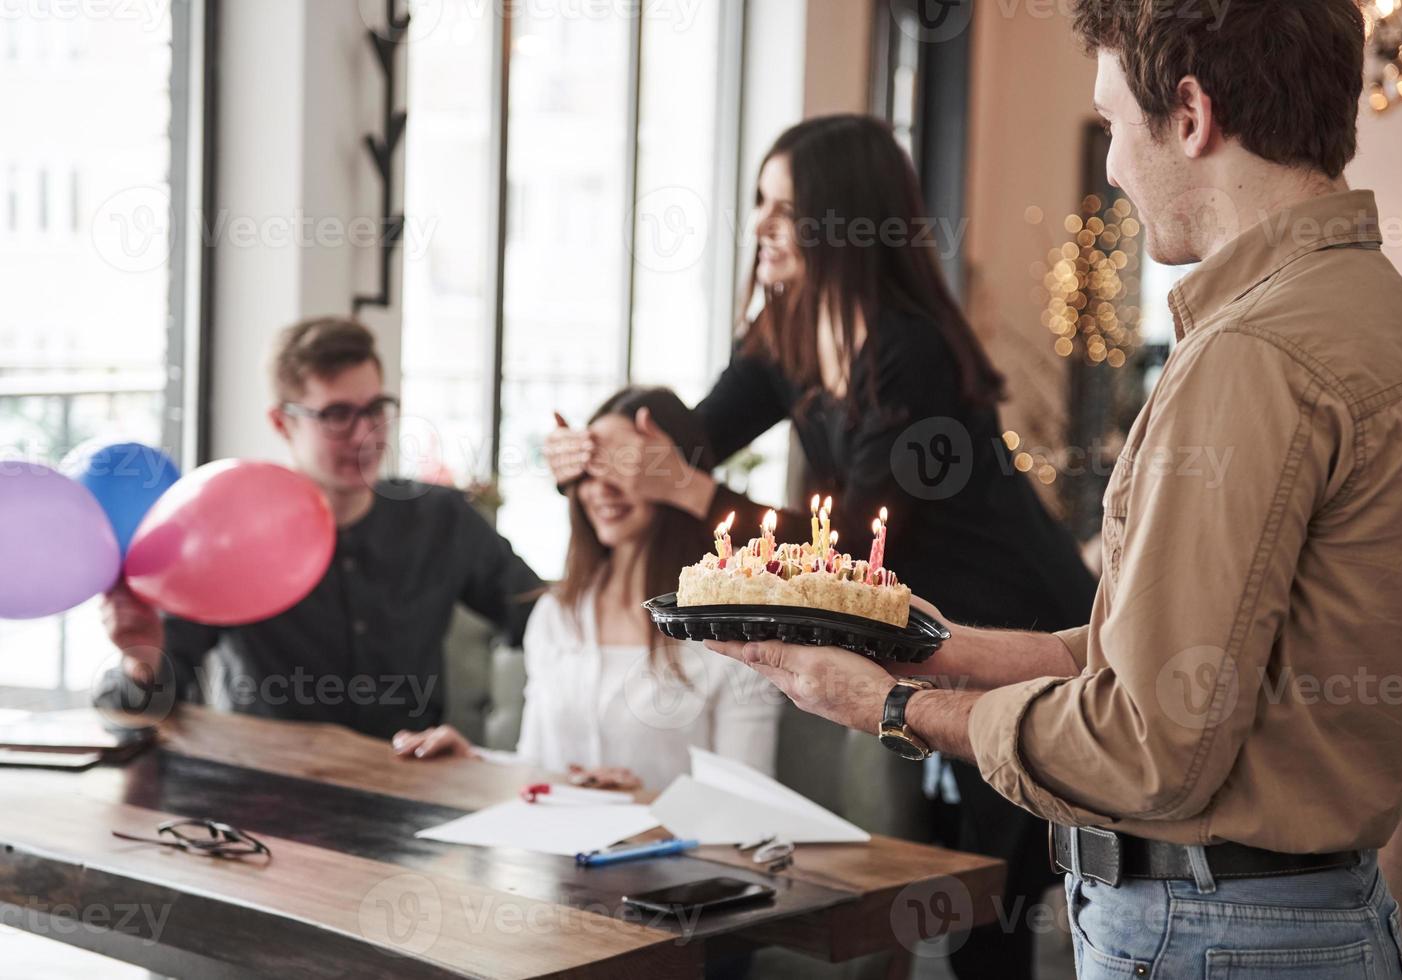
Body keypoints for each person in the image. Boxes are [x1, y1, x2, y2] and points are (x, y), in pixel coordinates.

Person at [704, 2, 1402, 978]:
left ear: (1189, 114)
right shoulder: (1394, 324)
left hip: (1213, 936)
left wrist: (889, 705)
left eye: (1111, 124)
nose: (1108, 164)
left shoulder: (1252, 356)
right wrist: (944, 648)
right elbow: (1164, 659)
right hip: (1308, 916)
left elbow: (1142, 743)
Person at [547, 116, 1096, 974]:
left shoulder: (913, 355)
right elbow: (688, 439)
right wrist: (590, 456)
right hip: (923, 637)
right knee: (941, 897)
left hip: (1020, 627)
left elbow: (848, 542)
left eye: (783, 209)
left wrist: (686, 485)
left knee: (992, 916)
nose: (759, 227)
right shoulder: (785, 337)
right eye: (759, 203)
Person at [99, 318, 542, 740]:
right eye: (336, 415)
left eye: (375, 409)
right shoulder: (231, 533)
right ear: (281, 422)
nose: (364, 433)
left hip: (409, 786)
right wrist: (141, 662)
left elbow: (546, 621)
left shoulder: (442, 519)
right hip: (266, 793)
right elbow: (132, 716)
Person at [395, 387, 781, 792]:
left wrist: (645, 802)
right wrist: (473, 762)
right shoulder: (557, 614)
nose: (601, 488)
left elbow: (750, 801)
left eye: (623, 467)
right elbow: (537, 765)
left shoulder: (733, 632)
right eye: (590, 469)